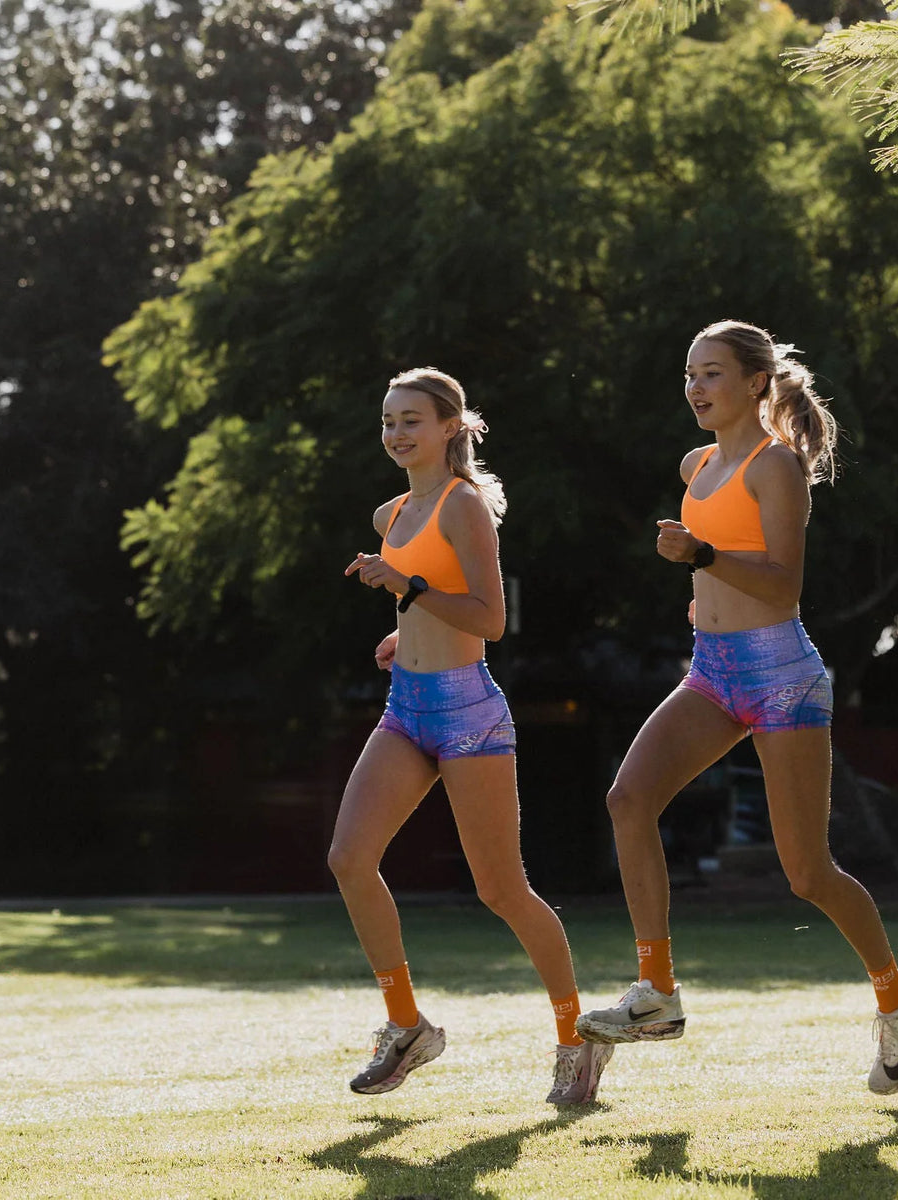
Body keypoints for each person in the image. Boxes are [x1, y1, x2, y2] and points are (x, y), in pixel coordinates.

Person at [575, 319, 898, 1097]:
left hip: (781, 676)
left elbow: (784, 586)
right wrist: (704, 583)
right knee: (628, 799)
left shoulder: (777, 467)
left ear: (756, 382)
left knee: (808, 874)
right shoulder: (696, 465)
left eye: (712, 373)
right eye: (690, 374)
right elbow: (724, 576)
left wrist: (702, 556)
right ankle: (657, 993)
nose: (696, 388)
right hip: (713, 672)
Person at [330, 366, 613, 1105]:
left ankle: (576, 1036)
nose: (396, 433)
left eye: (411, 420)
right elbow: (431, 601)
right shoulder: (392, 513)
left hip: (467, 713)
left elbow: (489, 619)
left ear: (450, 427)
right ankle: (407, 1027)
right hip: (406, 707)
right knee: (349, 858)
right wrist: (406, 634)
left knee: (502, 889)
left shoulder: (464, 506)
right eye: (388, 420)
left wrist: (405, 589)